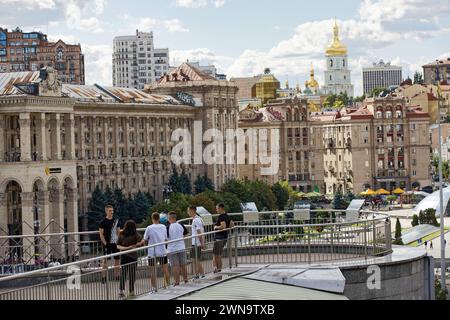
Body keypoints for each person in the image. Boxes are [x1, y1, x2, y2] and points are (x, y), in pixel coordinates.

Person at [143, 212, 171, 292]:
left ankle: (154, 288)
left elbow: (145, 239)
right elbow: (165, 239)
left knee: (152, 271)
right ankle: (168, 285)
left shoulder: (149, 228)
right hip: (162, 251)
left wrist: (146, 248)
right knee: (165, 269)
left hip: (152, 252)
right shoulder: (163, 226)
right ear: (159, 218)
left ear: (152, 219)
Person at [116, 220, 143, 299]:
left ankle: (121, 291)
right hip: (133, 257)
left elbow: (118, 246)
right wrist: (134, 246)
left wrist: (125, 248)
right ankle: (131, 292)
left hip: (124, 256)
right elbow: (142, 241)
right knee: (132, 275)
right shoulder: (135, 234)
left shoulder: (121, 233)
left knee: (123, 274)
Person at [99, 205, 122, 282]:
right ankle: (103, 278)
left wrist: (117, 241)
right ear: (106, 211)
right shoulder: (103, 222)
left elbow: (119, 232)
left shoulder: (116, 221)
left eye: (112, 210)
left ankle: (117, 276)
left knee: (117, 260)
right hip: (107, 244)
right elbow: (101, 234)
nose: (112, 212)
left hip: (115, 243)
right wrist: (105, 243)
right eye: (110, 211)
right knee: (105, 261)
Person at [167, 211, 188, 286]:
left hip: (172, 249)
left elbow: (165, 239)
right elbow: (186, 234)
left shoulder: (168, 227)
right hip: (181, 247)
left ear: (169, 218)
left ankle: (177, 282)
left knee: (175, 266)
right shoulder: (181, 225)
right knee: (183, 265)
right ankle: (186, 280)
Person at [213, 203, 234, 273]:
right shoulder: (227, 216)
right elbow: (232, 224)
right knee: (219, 253)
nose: (216, 210)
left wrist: (216, 227)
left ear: (221, 208)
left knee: (216, 254)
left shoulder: (221, 216)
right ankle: (218, 268)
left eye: (217, 208)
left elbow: (223, 226)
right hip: (225, 236)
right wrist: (227, 230)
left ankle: (217, 268)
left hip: (219, 237)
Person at [188, 206, 205, 279]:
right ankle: (198, 274)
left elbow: (199, 232)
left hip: (196, 243)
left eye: (188, 211)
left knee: (195, 259)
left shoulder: (196, 220)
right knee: (195, 259)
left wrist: (202, 243)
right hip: (196, 242)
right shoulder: (199, 219)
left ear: (192, 211)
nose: (188, 212)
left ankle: (200, 274)